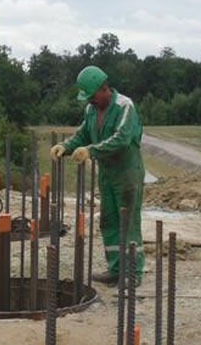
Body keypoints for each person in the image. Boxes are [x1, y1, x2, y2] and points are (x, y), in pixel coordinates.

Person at [50, 65, 145, 286]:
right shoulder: (91, 110)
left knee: (128, 221)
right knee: (109, 221)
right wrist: (66, 146)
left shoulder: (124, 106)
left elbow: (121, 138)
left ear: (104, 89)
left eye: (91, 96)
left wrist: (91, 151)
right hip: (107, 173)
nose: (89, 101)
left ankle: (133, 273)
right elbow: (83, 134)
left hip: (127, 173)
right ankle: (116, 269)